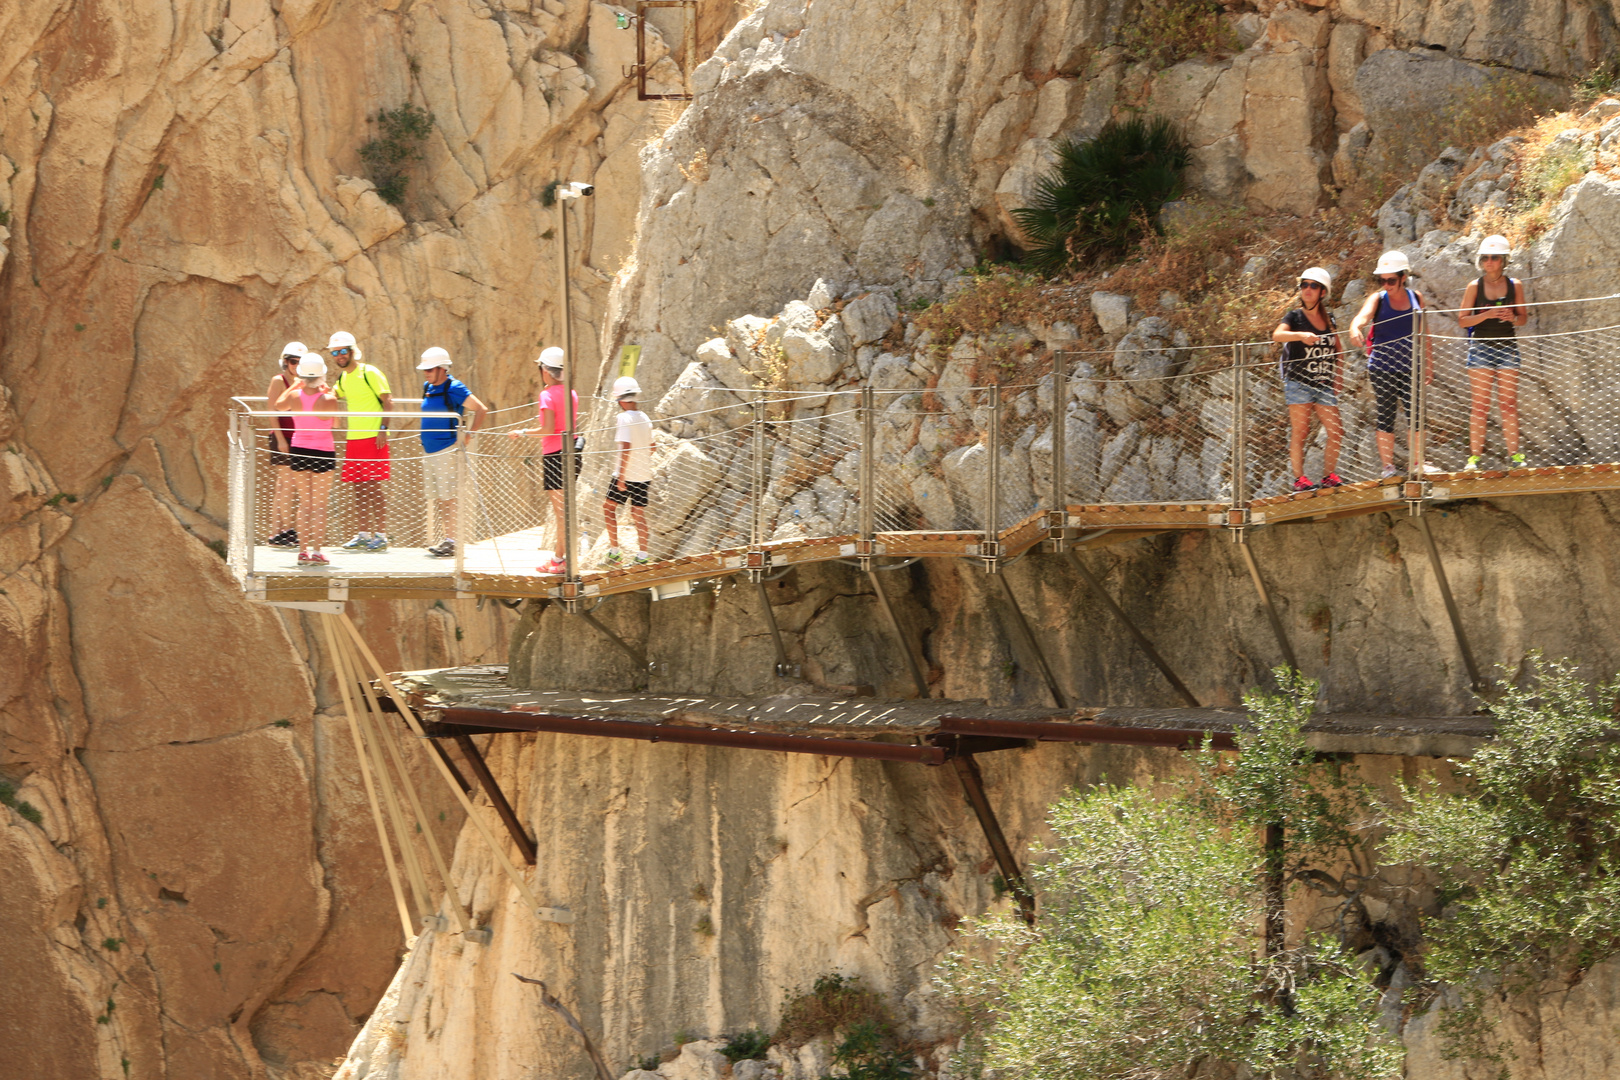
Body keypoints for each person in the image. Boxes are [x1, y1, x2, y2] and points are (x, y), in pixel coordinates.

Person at [1349, 250, 1435, 478]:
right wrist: (1355, 327)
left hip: (1411, 366)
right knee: (1385, 415)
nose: (1386, 285)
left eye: (1391, 280)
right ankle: (1388, 467)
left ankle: (1418, 462)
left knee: (1416, 415)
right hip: (1382, 367)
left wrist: (1428, 363)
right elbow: (1363, 317)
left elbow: (1424, 332)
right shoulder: (1377, 299)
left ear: (1403, 277)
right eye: (1382, 280)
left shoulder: (1416, 297)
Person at [1457, 234, 1528, 470]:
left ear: (1503, 260)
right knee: (1480, 405)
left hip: (1508, 347)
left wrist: (1512, 317)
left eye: (1494, 257)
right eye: (1485, 257)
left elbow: (1523, 318)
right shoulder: (1474, 287)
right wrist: (1486, 315)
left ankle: (1515, 457)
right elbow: (1462, 320)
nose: (1489, 262)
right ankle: (1474, 459)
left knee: (1508, 404)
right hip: (1480, 348)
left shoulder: (1514, 285)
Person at [1272, 268, 1345, 492]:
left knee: (1336, 432)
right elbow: (1277, 335)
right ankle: (1299, 479)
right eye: (1304, 285)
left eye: (1313, 286)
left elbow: (1339, 350)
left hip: (1323, 384)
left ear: (1323, 292)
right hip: (1299, 382)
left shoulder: (1329, 318)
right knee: (1300, 432)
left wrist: (1338, 376)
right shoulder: (1294, 317)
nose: (1307, 290)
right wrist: (1300, 335)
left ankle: (1328, 476)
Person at [508, 347, 579, 575]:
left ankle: (560, 560)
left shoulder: (546, 395)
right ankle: (560, 558)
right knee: (566, 509)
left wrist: (523, 432)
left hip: (554, 456)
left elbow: (547, 429)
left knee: (561, 512)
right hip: (573, 453)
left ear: (546, 371)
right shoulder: (572, 393)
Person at [417, 347, 489, 558]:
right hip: (430, 451)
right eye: (425, 370)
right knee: (441, 497)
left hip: (447, 449)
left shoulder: (454, 387)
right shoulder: (428, 387)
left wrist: (469, 435)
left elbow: (480, 409)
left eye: (430, 369)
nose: (426, 373)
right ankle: (449, 539)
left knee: (449, 497)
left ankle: (453, 541)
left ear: (442, 369)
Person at [328, 330, 393, 552]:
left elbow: (388, 402)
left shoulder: (370, 372)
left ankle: (382, 535)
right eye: (335, 352)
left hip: (373, 438)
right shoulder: (343, 378)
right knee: (358, 488)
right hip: (353, 439)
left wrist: (383, 429)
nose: (339, 356)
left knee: (374, 486)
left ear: (352, 351)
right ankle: (364, 534)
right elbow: (331, 395)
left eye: (343, 351)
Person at [275, 353, 343, 565]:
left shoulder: (295, 397)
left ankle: (302, 552)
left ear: (302, 375)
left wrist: (294, 385)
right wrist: (329, 394)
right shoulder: (329, 399)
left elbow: (279, 405)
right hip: (323, 452)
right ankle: (316, 552)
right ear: (322, 374)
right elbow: (336, 425)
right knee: (319, 505)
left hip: (299, 451)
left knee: (305, 504)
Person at [601, 376, 654, 566]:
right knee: (638, 514)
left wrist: (621, 477)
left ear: (620, 399)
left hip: (626, 475)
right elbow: (652, 446)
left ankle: (614, 552)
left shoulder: (623, 418)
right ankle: (643, 556)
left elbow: (626, 447)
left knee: (608, 508)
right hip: (643, 474)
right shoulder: (645, 417)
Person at [264, 341, 307, 546]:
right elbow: (273, 411)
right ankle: (288, 530)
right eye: (292, 361)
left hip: (297, 437)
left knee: (282, 486)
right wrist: (280, 439)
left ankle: (276, 533)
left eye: (299, 362)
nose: (295, 366)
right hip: (283, 437)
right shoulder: (278, 381)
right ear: (285, 362)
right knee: (288, 484)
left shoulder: (304, 382)